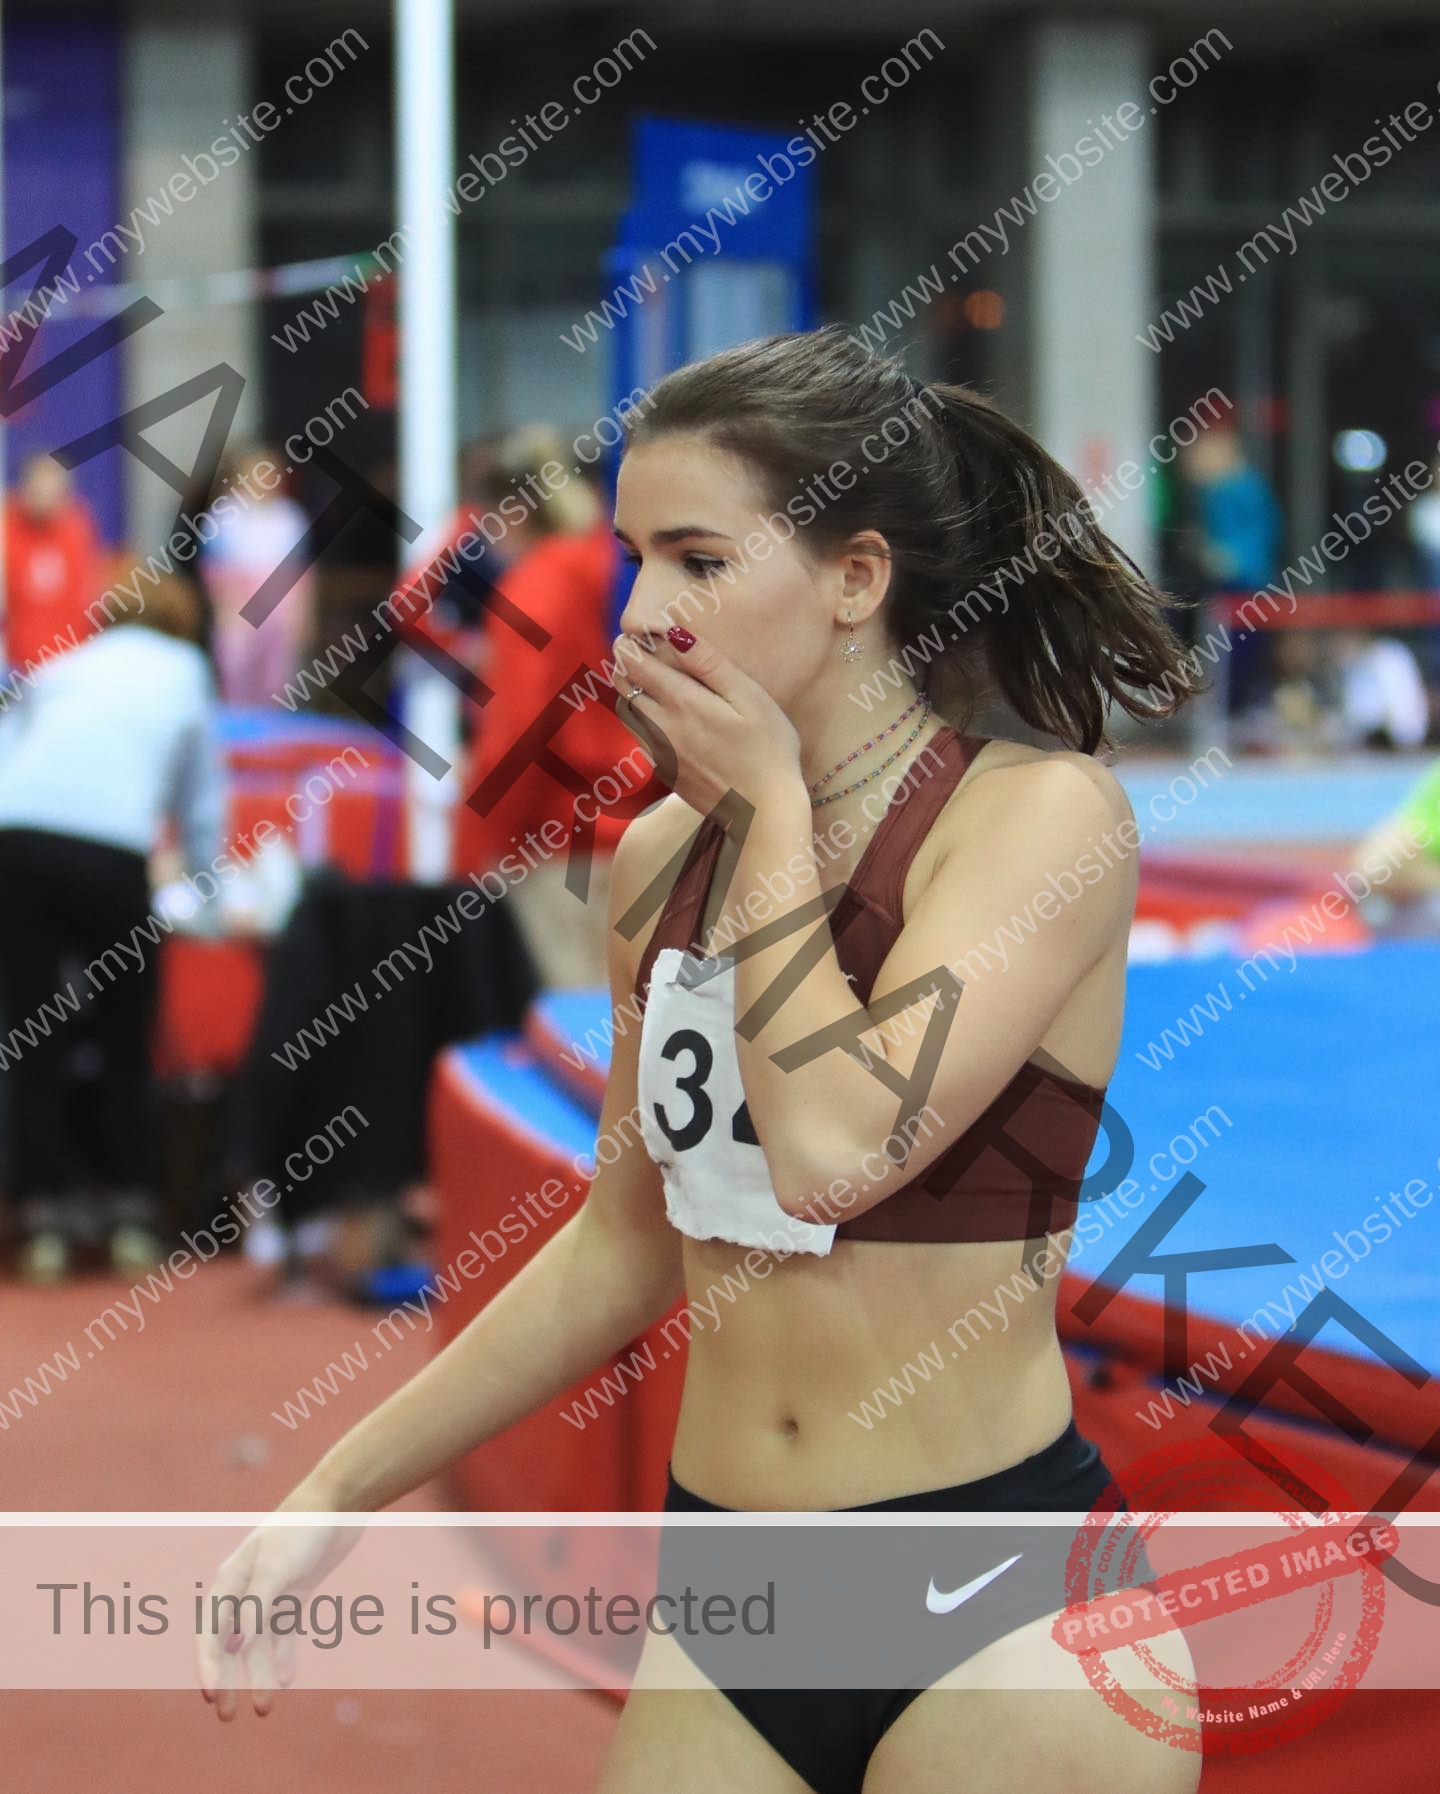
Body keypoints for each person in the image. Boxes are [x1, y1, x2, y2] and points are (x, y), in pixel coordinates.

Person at [197, 328, 1200, 1792]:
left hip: (993, 1590)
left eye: (699, 561)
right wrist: (337, 1487)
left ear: (857, 579)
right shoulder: (660, 858)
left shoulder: (1041, 819)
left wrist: (774, 818)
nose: (643, 612)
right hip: (733, 1592)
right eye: (634, 559)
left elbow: (834, 1153)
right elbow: (623, 1241)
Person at [0, 569, 225, 1282]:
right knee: (127, 1037)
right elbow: (201, 800)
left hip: (16, 843)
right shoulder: (185, 668)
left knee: (31, 1036)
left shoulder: (65, 663)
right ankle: (129, 1211)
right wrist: (209, 900)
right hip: (111, 852)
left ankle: (41, 1218)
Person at [452, 426, 641, 989]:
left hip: (558, 848)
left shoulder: (532, 592)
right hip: (644, 837)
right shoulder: (620, 571)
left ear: (506, 515)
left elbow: (516, 736)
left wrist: (473, 850)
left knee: (571, 1023)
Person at [197, 446, 316, 704]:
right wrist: (226, 610)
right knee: (236, 665)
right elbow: (215, 572)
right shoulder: (224, 516)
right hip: (239, 600)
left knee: (278, 674)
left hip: (281, 601)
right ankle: (238, 720)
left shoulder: (289, 517)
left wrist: (303, 617)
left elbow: (302, 575)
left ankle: (274, 722)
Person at [2, 453, 105, 676]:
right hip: (17, 664)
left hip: (68, 661)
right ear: (24, 488)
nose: (45, 495)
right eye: (38, 487)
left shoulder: (77, 527)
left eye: (52, 487)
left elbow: (90, 591)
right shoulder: (7, 527)